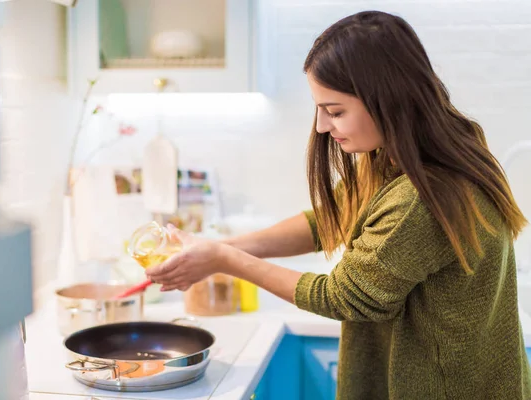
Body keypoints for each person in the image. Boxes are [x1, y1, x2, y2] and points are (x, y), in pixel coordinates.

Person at [145, 10, 531, 399]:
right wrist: (221, 248)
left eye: (335, 111)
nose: (322, 127)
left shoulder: (422, 195)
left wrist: (225, 261)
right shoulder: (409, 154)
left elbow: (342, 297)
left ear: (387, 98)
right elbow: (329, 220)